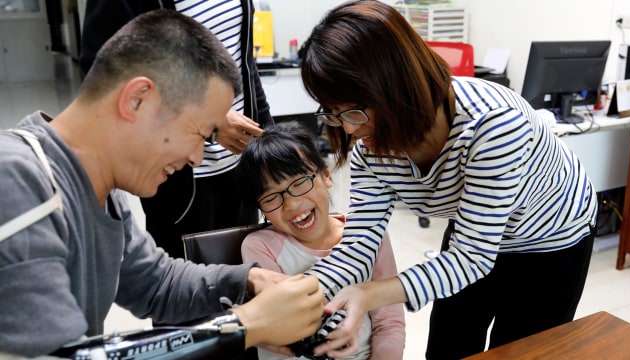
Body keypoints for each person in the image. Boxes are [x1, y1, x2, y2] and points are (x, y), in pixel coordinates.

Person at [0, 10, 323, 357]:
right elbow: (64, 355)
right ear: (138, 99)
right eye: (202, 134)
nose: (198, 158)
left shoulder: (104, 192)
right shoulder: (17, 180)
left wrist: (247, 280)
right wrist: (242, 326)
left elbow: (156, 284)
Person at [296, 1, 598, 359]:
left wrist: (369, 294)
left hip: (550, 238)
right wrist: (305, 292)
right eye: (333, 113)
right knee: (447, 347)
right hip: (475, 233)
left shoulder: (493, 126)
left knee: (519, 350)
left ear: (398, 86)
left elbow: (471, 259)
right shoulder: (370, 149)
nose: (348, 128)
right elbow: (358, 244)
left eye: (355, 110)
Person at [79, 0, 274, 258]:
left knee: (245, 276)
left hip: (240, 164)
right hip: (178, 174)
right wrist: (211, 120)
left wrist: (270, 139)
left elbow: (245, 65)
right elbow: (105, 76)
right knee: (184, 283)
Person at [235, 122, 405, 360]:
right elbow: (279, 340)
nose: (291, 204)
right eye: (271, 197)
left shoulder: (368, 233)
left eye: (300, 182)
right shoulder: (260, 246)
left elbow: (389, 323)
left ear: (325, 175)